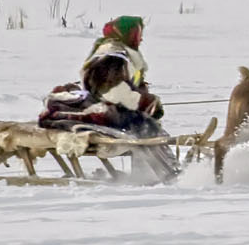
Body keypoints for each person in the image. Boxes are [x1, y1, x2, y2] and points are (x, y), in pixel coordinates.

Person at [38, 16, 178, 179]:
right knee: (146, 127)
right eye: (137, 34)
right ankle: (168, 174)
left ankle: (150, 173)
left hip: (106, 107)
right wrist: (146, 102)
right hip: (106, 111)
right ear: (126, 34)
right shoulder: (113, 56)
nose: (141, 39)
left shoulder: (115, 52)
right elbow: (114, 91)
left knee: (146, 124)